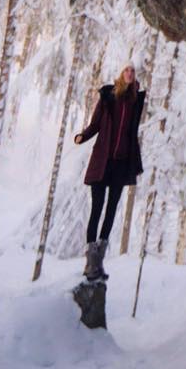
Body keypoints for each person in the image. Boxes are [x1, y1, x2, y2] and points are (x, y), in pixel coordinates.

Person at [73, 63, 146, 283]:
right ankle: (90, 261)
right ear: (121, 74)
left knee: (111, 210)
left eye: (133, 71)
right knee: (97, 208)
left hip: (121, 165)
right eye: (127, 70)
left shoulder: (135, 100)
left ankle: (99, 260)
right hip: (103, 161)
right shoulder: (108, 96)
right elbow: (96, 124)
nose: (130, 74)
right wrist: (82, 136)